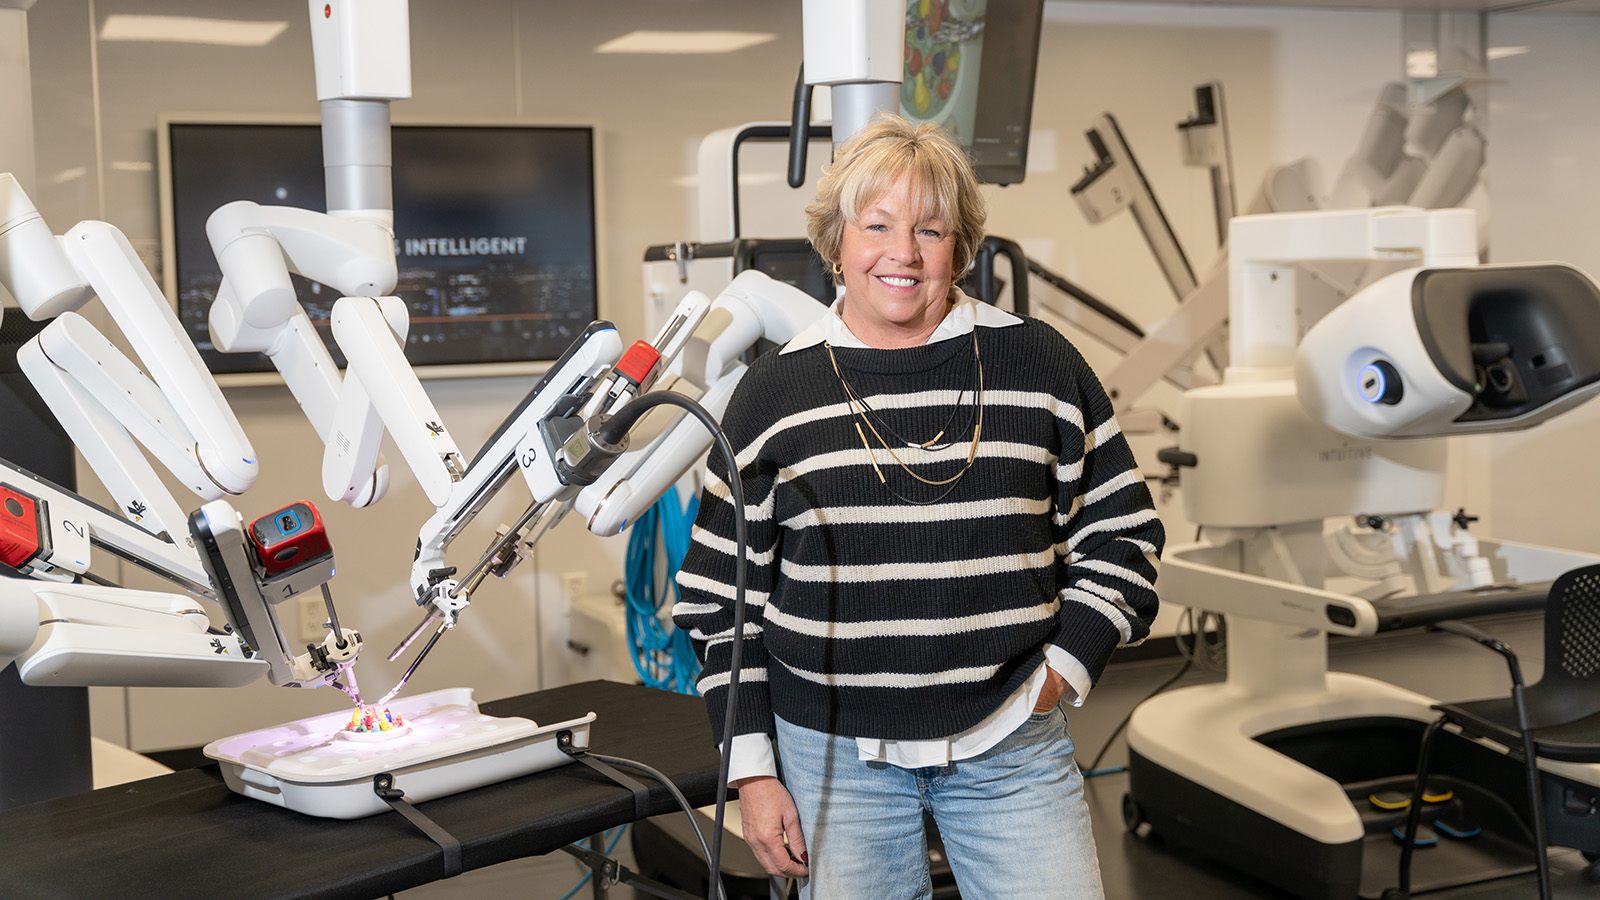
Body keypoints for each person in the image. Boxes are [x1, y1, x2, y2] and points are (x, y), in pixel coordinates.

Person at [672, 112, 1164, 900]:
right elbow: (717, 606)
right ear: (836, 243)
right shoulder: (772, 394)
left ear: (961, 247)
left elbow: (1124, 533)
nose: (902, 253)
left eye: (930, 230)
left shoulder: (1038, 364)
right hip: (833, 764)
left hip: (1013, 747)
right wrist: (754, 776)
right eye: (876, 226)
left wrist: (1063, 669)